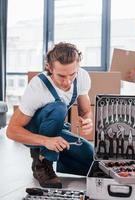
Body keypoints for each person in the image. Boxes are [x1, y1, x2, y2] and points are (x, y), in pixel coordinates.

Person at [6, 42, 94, 188]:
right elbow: (12, 131)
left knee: (91, 162)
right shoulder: (37, 86)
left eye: (72, 75)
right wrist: (45, 141)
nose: (67, 82)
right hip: (33, 131)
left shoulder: (83, 77)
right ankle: (43, 162)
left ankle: (52, 155)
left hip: (56, 130)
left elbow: (85, 111)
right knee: (59, 108)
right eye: (61, 76)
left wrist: (87, 121)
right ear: (49, 67)